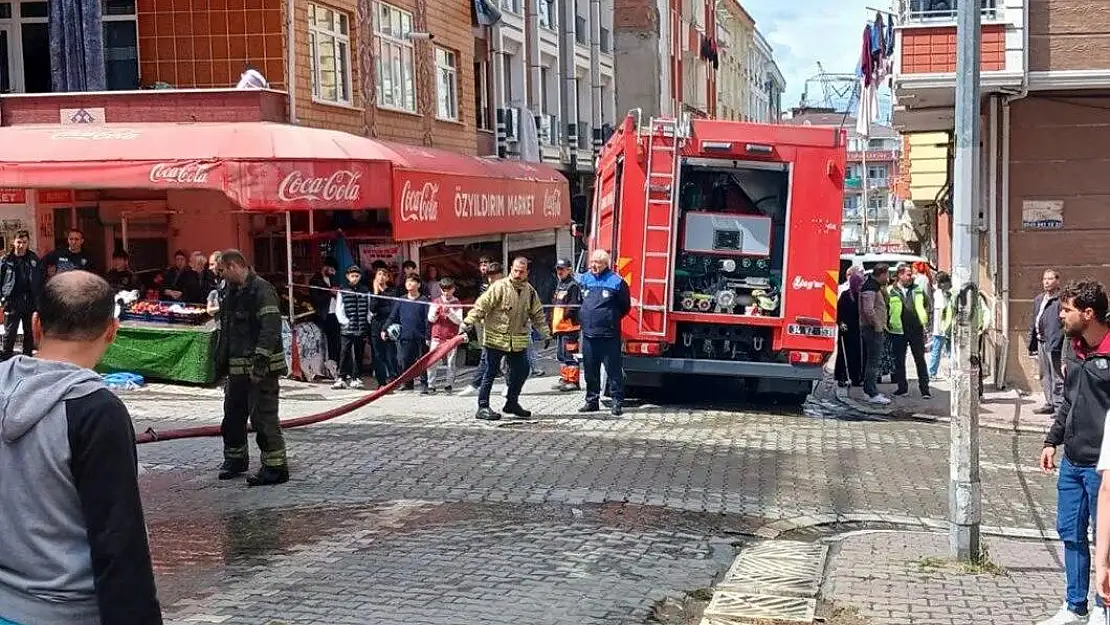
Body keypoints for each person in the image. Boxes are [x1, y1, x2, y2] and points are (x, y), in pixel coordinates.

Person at [0, 271, 162, 625]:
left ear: (36, 324)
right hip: (68, 612)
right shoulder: (95, 410)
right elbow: (118, 540)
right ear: (112, 331)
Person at [1042, 279, 1110, 625]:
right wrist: (1052, 440)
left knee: (1105, 539)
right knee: (1070, 531)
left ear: (1089, 313)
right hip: (1073, 461)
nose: (1061, 316)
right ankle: (1074, 606)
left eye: (1066, 310)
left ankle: (1104, 606)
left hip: (1104, 468)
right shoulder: (1075, 349)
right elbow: (1069, 401)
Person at [215, 250, 289, 486]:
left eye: (223, 271)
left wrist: (260, 364)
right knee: (233, 416)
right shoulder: (232, 292)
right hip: (237, 371)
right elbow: (228, 331)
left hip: (261, 372)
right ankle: (235, 460)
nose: (222, 276)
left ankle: (275, 468)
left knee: (263, 418)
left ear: (234, 265)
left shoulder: (262, 290)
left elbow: (270, 329)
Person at [459, 257, 550, 421]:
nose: (517, 274)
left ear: (527, 273)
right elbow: (481, 305)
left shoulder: (530, 291)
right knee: (490, 372)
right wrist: (468, 322)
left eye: (521, 271)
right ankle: (483, 407)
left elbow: (537, 314)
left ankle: (512, 403)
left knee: (522, 370)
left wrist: (545, 333)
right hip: (495, 338)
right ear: (511, 269)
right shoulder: (499, 287)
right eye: (515, 270)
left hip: (517, 340)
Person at [577, 249, 632, 416]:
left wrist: (610, 318)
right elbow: (581, 301)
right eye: (592, 262)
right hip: (588, 334)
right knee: (590, 370)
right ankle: (591, 401)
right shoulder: (585, 279)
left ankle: (617, 402)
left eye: (598, 263)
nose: (594, 265)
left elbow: (625, 306)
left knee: (613, 370)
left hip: (609, 335)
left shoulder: (616, 281)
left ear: (605, 264)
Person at [459, 261, 504, 397]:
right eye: (489, 276)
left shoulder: (510, 289)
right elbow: (479, 307)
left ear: (500, 275)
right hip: (490, 329)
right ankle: (475, 385)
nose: (491, 279)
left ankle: (509, 386)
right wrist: (468, 321)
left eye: (494, 276)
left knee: (511, 360)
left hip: (507, 330)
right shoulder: (487, 289)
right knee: (486, 358)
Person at [888, 263, 931, 399]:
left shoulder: (917, 289)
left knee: (920, 359)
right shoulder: (891, 290)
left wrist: (923, 320)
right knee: (899, 360)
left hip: (915, 329)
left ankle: (925, 389)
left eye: (911, 274)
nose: (911, 276)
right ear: (900, 275)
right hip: (898, 330)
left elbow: (926, 303)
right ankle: (902, 388)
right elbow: (885, 307)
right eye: (908, 274)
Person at [0, 231, 42, 361]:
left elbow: (40, 279)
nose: (21, 245)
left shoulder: (34, 258)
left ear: (28, 243)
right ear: (14, 242)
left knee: (29, 332)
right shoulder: (6, 260)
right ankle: (6, 358)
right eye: (19, 242)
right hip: (12, 301)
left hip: (30, 301)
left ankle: (27, 358)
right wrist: (2, 298)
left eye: (24, 242)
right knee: (10, 332)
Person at [385, 274, 431, 393]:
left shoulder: (424, 300)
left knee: (422, 361)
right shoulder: (401, 300)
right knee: (404, 360)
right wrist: (384, 329)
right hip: (405, 336)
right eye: (407, 282)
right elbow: (392, 317)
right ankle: (407, 382)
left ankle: (424, 384)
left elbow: (427, 319)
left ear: (418, 284)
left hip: (420, 337)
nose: (409, 284)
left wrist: (427, 335)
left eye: (412, 282)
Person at [1030, 269, 1065, 415]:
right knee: (1045, 375)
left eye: (1050, 279)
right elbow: (1034, 319)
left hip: (1054, 342)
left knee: (1057, 376)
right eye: (1044, 279)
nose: (1046, 282)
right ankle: (1049, 402)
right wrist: (1031, 340)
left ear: (1057, 281)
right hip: (1041, 340)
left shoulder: (1060, 300)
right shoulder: (1039, 299)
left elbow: (1063, 322)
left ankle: (1059, 407)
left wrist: (1058, 341)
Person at [859, 263, 891, 405]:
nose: (888, 278)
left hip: (872, 329)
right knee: (873, 362)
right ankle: (871, 392)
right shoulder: (870, 288)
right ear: (882, 274)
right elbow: (868, 310)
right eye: (887, 275)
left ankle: (870, 389)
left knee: (872, 361)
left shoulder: (873, 286)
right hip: (872, 330)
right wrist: (877, 325)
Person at [334, 265, 370, 390]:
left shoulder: (365, 290)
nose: (354, 278)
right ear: (347, 276)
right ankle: (341, 377)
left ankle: (357, 377)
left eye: (357, 276)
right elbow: (339, 309)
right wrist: (345, 322)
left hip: (361, 327)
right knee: (344, 352)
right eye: (352, 276)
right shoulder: (342, 290)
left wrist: (367, 321)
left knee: (359, 353)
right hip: (347, 327)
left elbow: (369, 308)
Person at [551, 258, 583, 392]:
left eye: (562, 269)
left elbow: (574, 306)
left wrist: (564, 317)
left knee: (570, 354)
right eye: (558, 269)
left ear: (569, 270)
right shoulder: (560, 285)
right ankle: (565, 378)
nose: (559, 271)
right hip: (560, 327)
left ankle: (573, 381)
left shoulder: (573, 285)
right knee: (561, 355)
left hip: (570, 328)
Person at [427, 277, 464, 393]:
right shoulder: (435, 301)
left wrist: (450, 312)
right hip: (437, 336)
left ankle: (449, 384)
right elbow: (430, 319)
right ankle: (431, 384)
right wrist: (436, 313)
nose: (446, 292)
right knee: (432, 361)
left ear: (453, 289)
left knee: (451, 362)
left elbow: (459, 320)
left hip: (451, 337)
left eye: (448, 290)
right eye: (443, 290)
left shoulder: (457, 303)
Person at [368, 267, 399, 387]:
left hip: (389, 324)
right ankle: (381, 381)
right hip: (376, 325)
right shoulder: (373, 292)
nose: (381, 276)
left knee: (391, 353)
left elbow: (391, 309)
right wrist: (376, 293)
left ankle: (393, 377)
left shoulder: (392, 291)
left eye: (383, 274)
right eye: (379, 274)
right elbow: (372, 309)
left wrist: (382, 292)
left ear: (387, 278)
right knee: (378, 354)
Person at [309, 257, 341, 369]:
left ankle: (336, 364)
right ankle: (329, 365)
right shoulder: (315, 280)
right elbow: (315, 298)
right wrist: (330, 293)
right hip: (324, 314)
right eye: (332, 269)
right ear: (326, 267)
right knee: (327, 341)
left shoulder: (333, 279)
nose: (333, 272)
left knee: (336, 340)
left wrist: (337, 293)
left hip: (335, 313)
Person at [834, 272, 864, 387]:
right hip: (846, 329)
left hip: (857, 329)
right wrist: (840, 323)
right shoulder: (846, 295)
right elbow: (838, 311)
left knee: (856, 354)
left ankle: (856, 377)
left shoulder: (861, 296)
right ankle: (842, 377)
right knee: (843, 354)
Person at [927, 271, 952, 379]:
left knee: (951, 351)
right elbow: (942, 311)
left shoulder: (948, 293)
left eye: (940, 283)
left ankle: (951, 371)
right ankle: (932, 373)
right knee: (937, 350)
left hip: (946, 326)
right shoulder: (938, 293)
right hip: (941, 327)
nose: (939, 285)